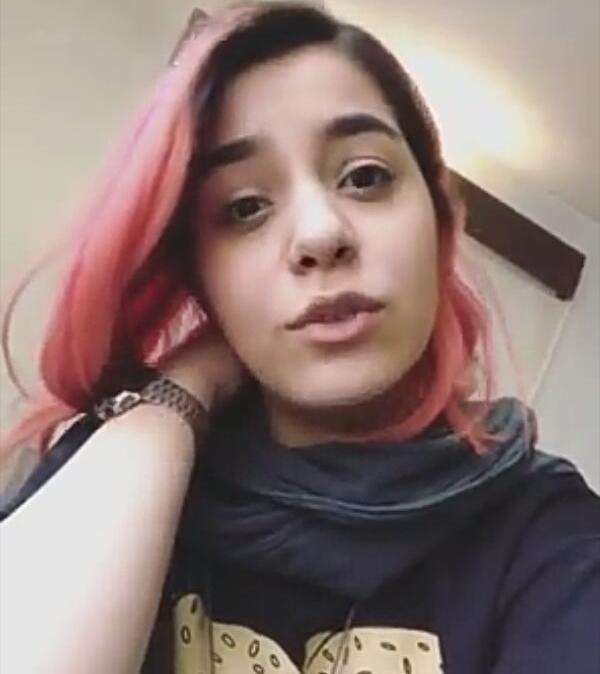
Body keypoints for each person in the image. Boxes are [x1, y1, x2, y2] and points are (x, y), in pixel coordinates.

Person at [1, 2, 598, 673]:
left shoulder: (549, 536)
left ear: (438, 223)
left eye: (365, 176)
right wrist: (182, 393)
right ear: (201, 277)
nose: (320, 234)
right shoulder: (111, 463)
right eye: (245, 207)